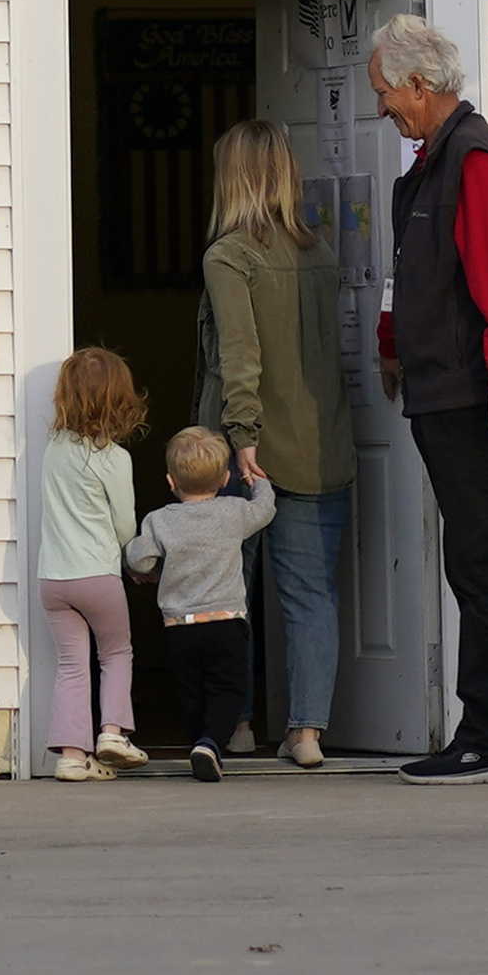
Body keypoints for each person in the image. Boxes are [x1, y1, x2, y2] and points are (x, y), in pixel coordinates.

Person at [370, 13, 488, 783]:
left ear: (420, 86)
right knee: (478, 561)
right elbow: (411, 269)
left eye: (387, 92)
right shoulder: (430, 164)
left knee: (484, 564)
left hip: (478, 395)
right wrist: (392, 346)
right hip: (445, 388)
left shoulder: (474, 161)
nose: (382, 106)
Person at [199, 116, 350, 767]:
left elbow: (240, 354)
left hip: (245, 448)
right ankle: (307, 732)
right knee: (311, 593)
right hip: (319, 445)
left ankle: (235, 724)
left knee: (228, 591)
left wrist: (240, 433)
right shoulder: (320, 252)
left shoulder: (228, 256)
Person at [126, 424, 275, 779]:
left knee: (191, 690)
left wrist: (147, 571)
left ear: (170, 481)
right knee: (228, 689)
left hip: (181, 627)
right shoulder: (234, 511)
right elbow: (265, 511)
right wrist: (259, 483)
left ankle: (198, 742)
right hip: (227, 623)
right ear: (224, 479)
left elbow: (139, 559)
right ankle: (210, 744)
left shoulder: (159, 520)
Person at [37, 346, 148, 778]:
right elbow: (124, 524)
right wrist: (136, 561)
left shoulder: (53, 449)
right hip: (97, 575)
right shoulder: (114, 459)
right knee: (117, 652)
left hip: (53, 580)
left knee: (71, 663)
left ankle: (70, 756)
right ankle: (112, 733)